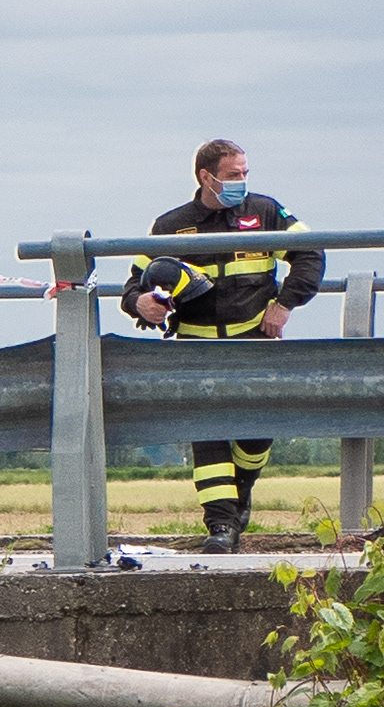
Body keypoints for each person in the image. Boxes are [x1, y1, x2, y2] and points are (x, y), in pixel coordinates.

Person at [124, 138, 321, 545]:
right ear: (206, 177)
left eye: (246, 173)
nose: (242, 182)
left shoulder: (265, 212)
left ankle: (241, 489)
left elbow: (311, 253)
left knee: (256, 432)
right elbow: (133, 286)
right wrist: (142, 303)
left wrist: (284, 305)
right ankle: (221, 525)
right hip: (196, 348)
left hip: (256, 340)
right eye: (234, 176)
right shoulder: (170, 226)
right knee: (208, 430)